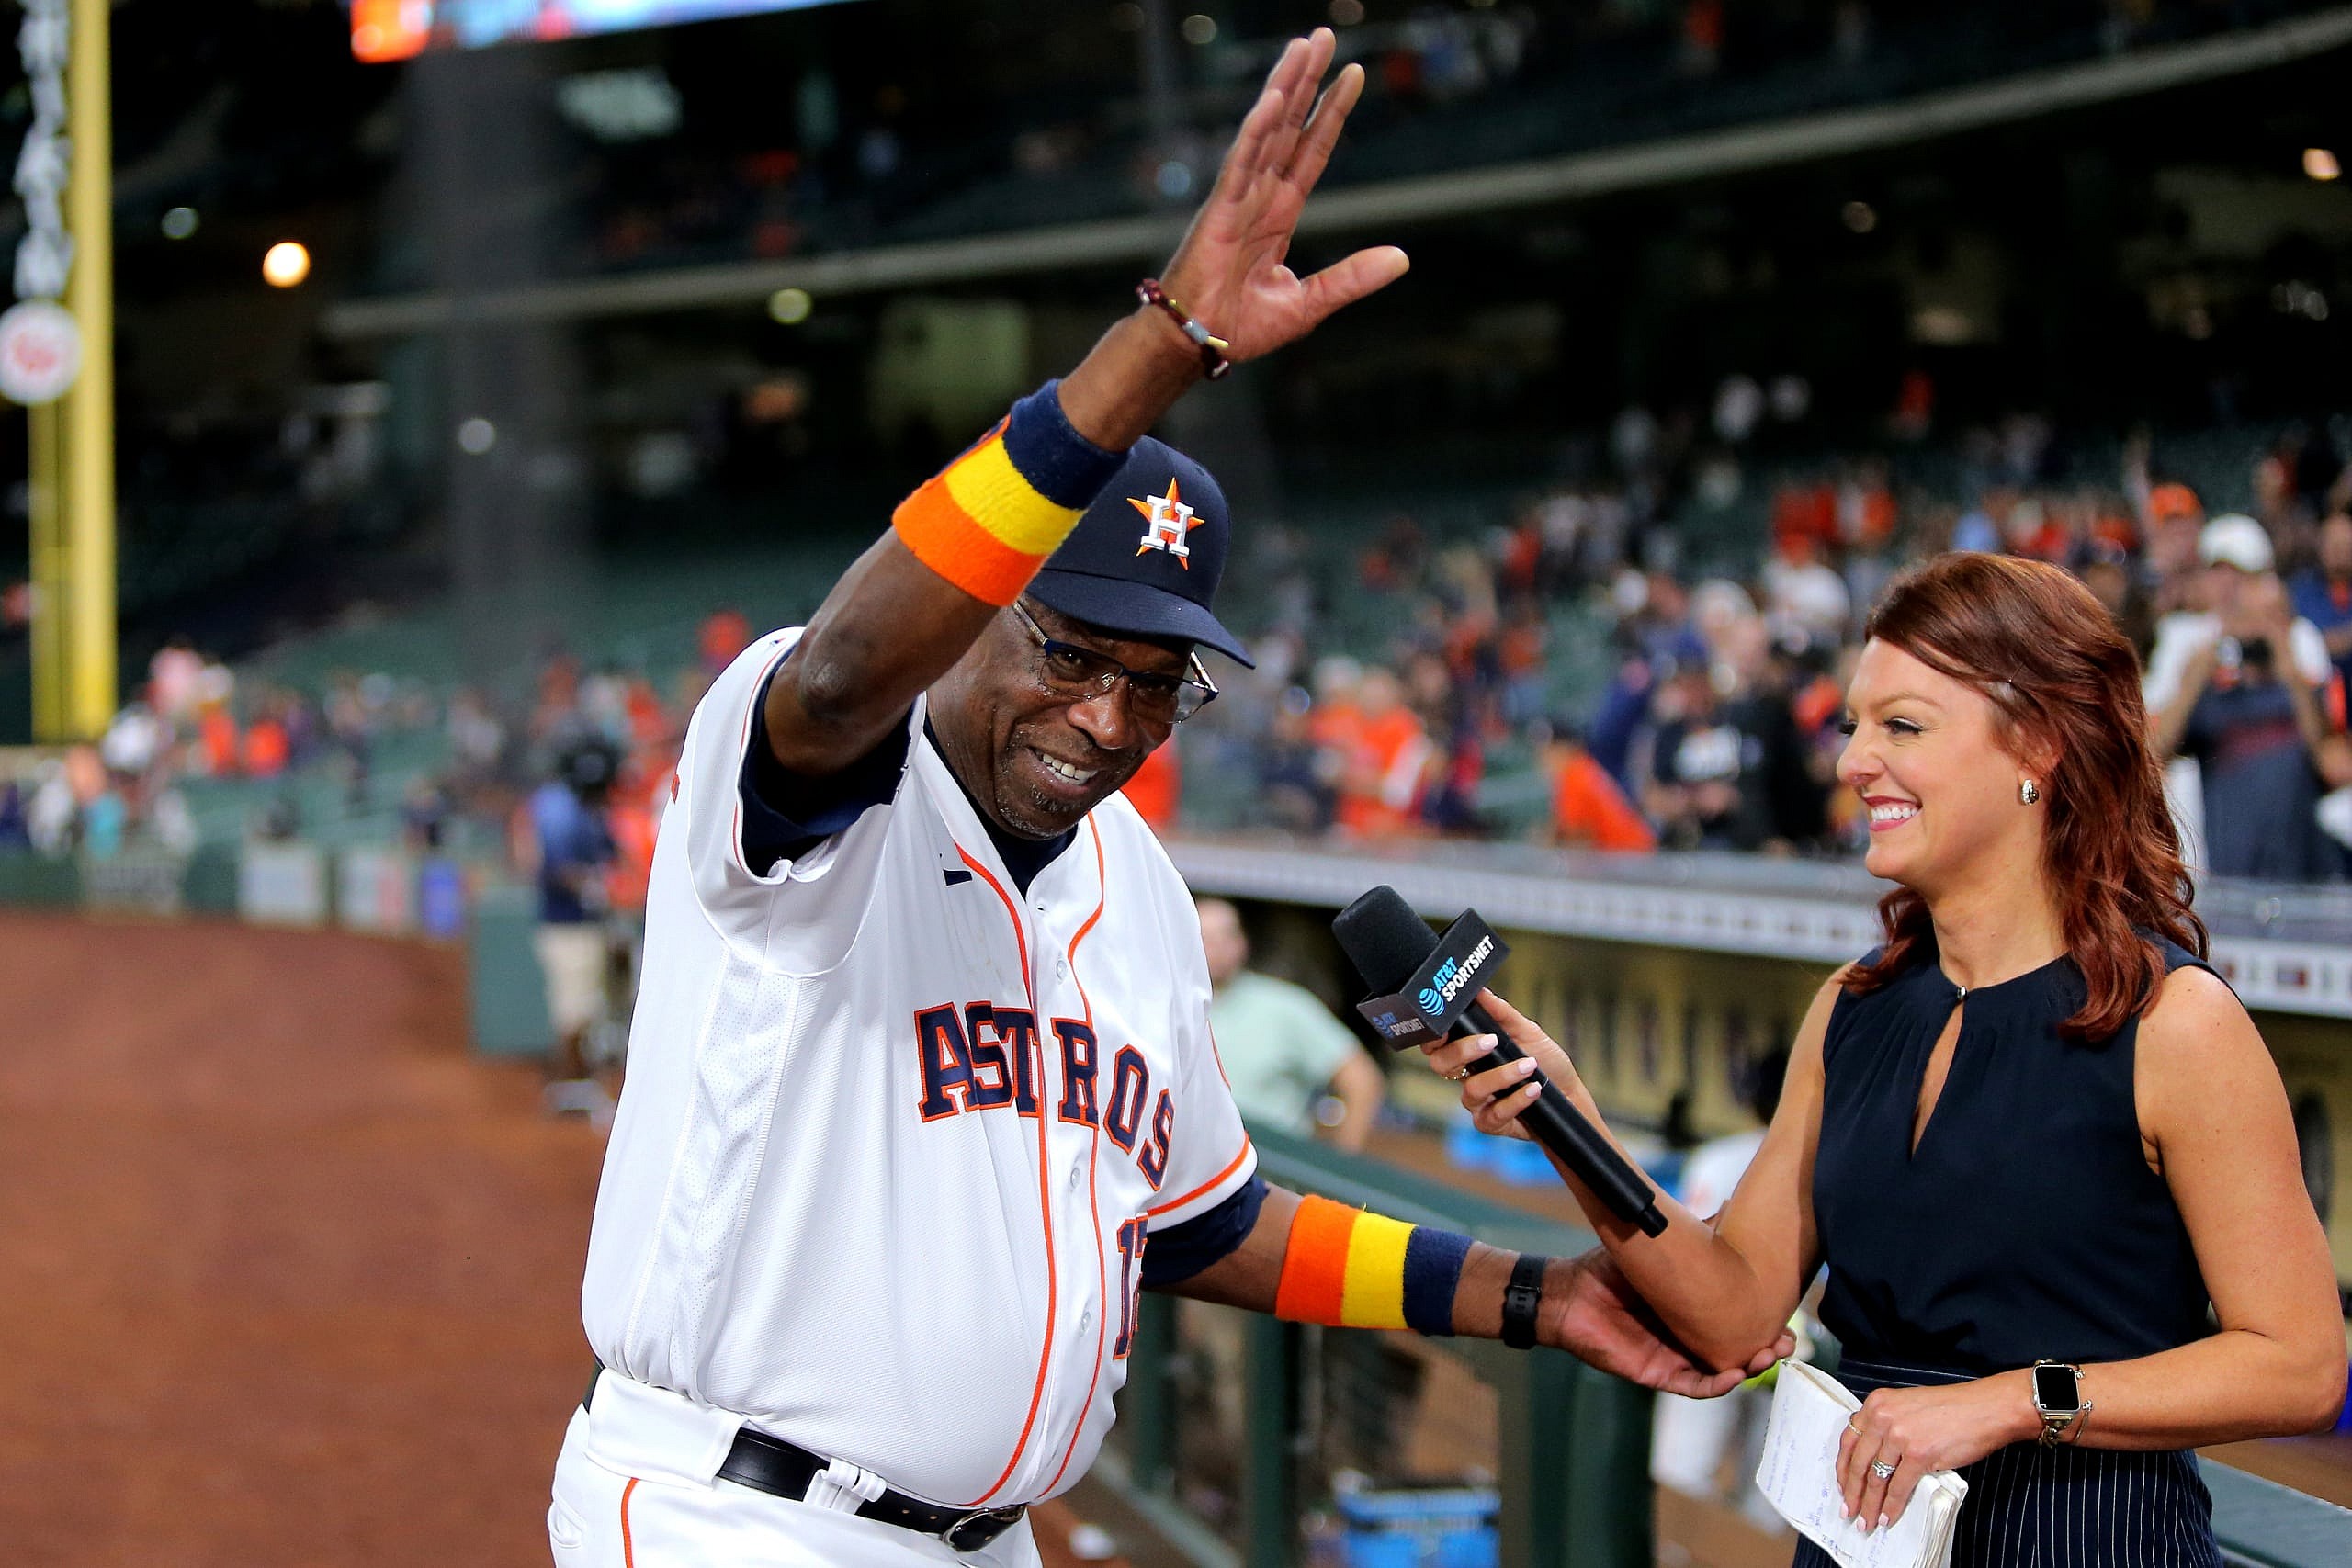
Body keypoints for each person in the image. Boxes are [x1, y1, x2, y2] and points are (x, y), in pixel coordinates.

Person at [548, 34, 1776, 1568]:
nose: (1109, 715)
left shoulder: (1132, 883)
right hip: (739, 1514)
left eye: (1157, 679)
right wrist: (1168, 340)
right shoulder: (819, 785)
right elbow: (850, 673)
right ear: (980, 610)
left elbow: (1205, 1220)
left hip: (990, 1537)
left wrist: (1533, 1294)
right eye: (1070, 652)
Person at [1425, 553, 2345, 1565]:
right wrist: (1566, 1118)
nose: (1854, 762)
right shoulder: (1853, 1007)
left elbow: (2299, 1365)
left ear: (2039, 743)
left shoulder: (2174, 1022)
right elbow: (1732, 1314)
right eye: (1854, 725)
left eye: (1902, 726)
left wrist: (2013, 1402)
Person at [1198, 897, 1385, 1151]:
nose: (1216, 948)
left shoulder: (1284, 1006)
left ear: (1242, 943)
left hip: (1266, 1163)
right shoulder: (1169, 1005)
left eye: (1225, 936)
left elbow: (1362, 1081)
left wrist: (1339, 1162)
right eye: (1205, 938)